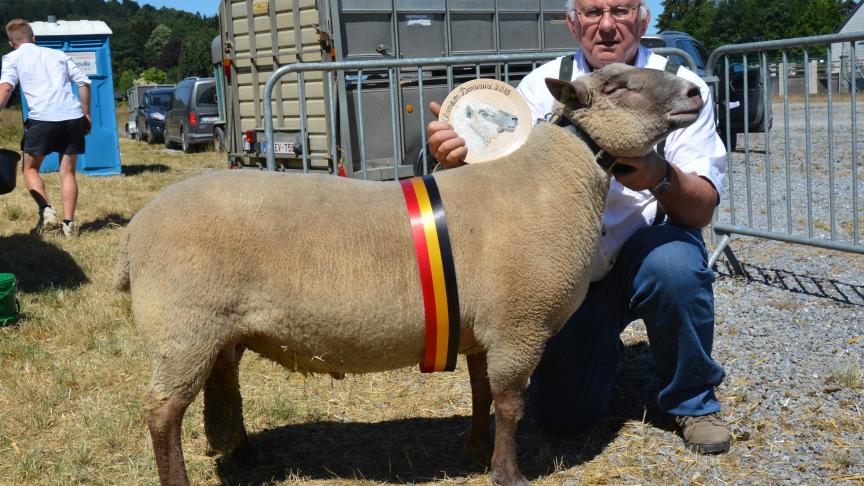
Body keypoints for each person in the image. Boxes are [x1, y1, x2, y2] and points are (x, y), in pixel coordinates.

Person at [427, 0, 731, 454]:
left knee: (676, 266)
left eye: (621, 10)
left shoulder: (679, 88)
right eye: (592, 12)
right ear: (573, 23)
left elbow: (702, 209)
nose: (606, 25)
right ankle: (595, 349)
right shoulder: (542, 87)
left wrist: (659, 176)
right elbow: (500, 172)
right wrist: (459, 155)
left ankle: (692, 401)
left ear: (643, 19)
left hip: (642, 254)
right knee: (563, 418)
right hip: (564, 274)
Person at [0, 18, 91, 238]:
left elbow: (5, 90)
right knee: (67, 172)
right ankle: (69, 225)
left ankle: (46, 209)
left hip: (42, 119)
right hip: (72, 117)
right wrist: (86, 114)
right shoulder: (58, 55)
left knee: (30, 169)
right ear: (34, 38)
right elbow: (84, 82)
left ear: (12, 43)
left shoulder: (12, 58)